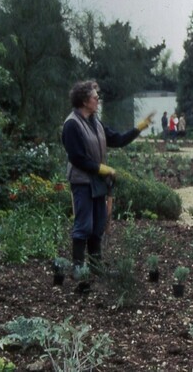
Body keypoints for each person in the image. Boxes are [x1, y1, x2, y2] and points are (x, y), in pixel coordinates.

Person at [61, 80, 154, 272]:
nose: (98, 100)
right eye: (95, 98)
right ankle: (78, 269)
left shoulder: (96, 122)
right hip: (82, 182)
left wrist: (139, 128)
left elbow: (118, 140)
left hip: (97, 182)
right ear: (85, 101)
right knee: (83, 225)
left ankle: (96, 269)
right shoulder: (72, 125)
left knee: (97, 226)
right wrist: (102, 169)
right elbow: (76, 158)